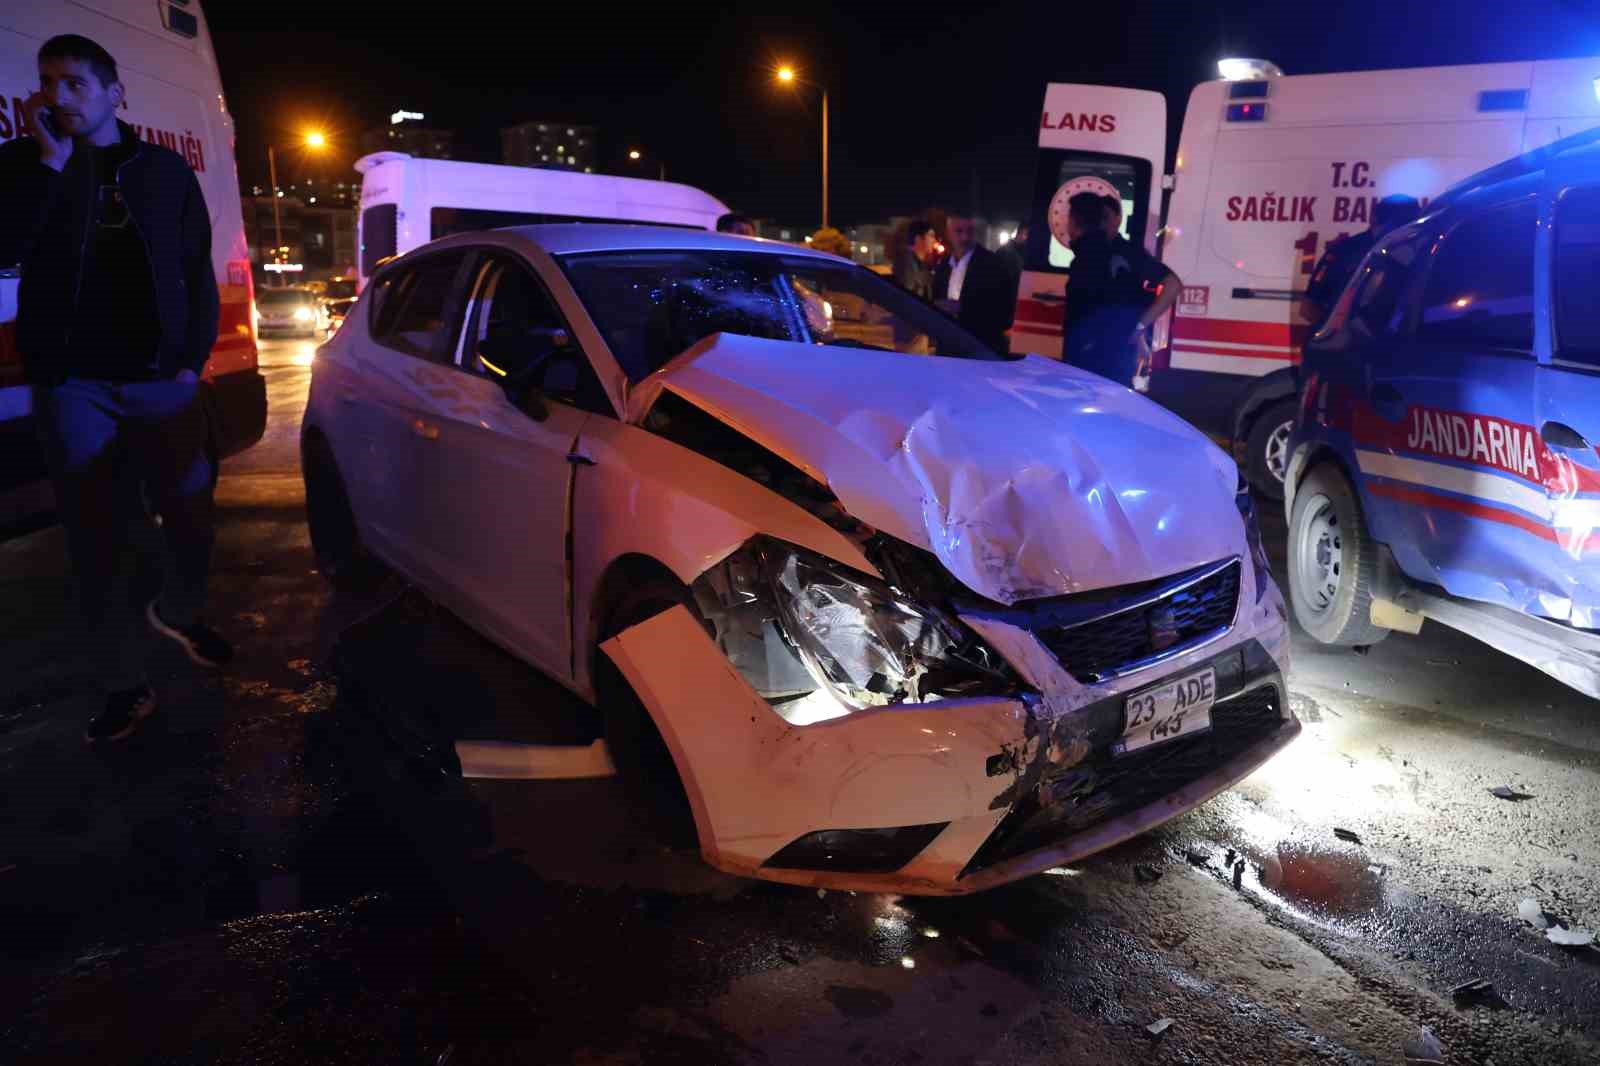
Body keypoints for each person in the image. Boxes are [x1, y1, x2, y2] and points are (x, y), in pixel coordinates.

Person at [0, 34, 231, 744]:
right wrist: (49, 170)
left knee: (191, 512)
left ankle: (181, 607)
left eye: (73, 84)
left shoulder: (162, 170)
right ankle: (123, 685)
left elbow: (197, 268)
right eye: (47, 83)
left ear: (112, 93)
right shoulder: (24, 164)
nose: (56, 97)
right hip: (75, 386)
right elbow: (5, 250)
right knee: (98, 541)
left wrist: (191, 361)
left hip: (163, 379)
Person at [1061, 191, 1179, 385]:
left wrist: (1139, 327)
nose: (1103, 222)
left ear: (1117, 219)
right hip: (1115, 356)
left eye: (1106, 217)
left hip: (1093, 357)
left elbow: (1172, 285)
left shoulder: (1103, 255)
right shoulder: (1115, 253)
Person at [1303, 194, 1421, 326]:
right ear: (1374, 220)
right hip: (1347, 342)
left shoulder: (1415, 255)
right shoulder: (1345, 252)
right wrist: (1336, 335)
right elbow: (1309, 308)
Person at [933, 213, 1015, 353]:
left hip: (979, 349)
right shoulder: (943, 266)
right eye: (959, 231)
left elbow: (1005, 314)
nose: (965, 237)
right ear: (948, 233)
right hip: (948, 348)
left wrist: (963, 309)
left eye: (970, 231)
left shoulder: (993, 265)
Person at [893, 218, 938, 301]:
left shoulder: (921, 263)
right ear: (918, 238)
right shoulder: (905, 262)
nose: (934, 240)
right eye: (931, 236)